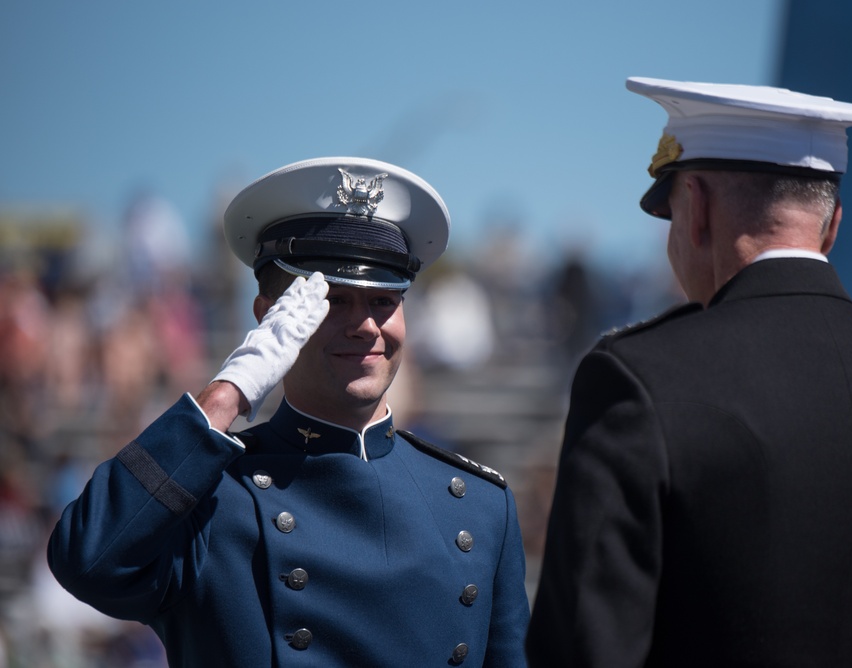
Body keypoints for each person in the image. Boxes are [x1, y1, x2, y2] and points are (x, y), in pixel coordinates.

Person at [525, 78, 852, 667]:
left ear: (696, 208)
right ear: (833, 224)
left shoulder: (638, 379)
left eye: (670, 214)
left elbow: (584, 648)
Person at [48, 157, 530, 667]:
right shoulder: (209, 501)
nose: (366, 326)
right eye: (333, 302)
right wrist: (229, 391)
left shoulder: (480, 506)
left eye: (384, 301)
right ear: (266, 318)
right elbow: (88, 560)